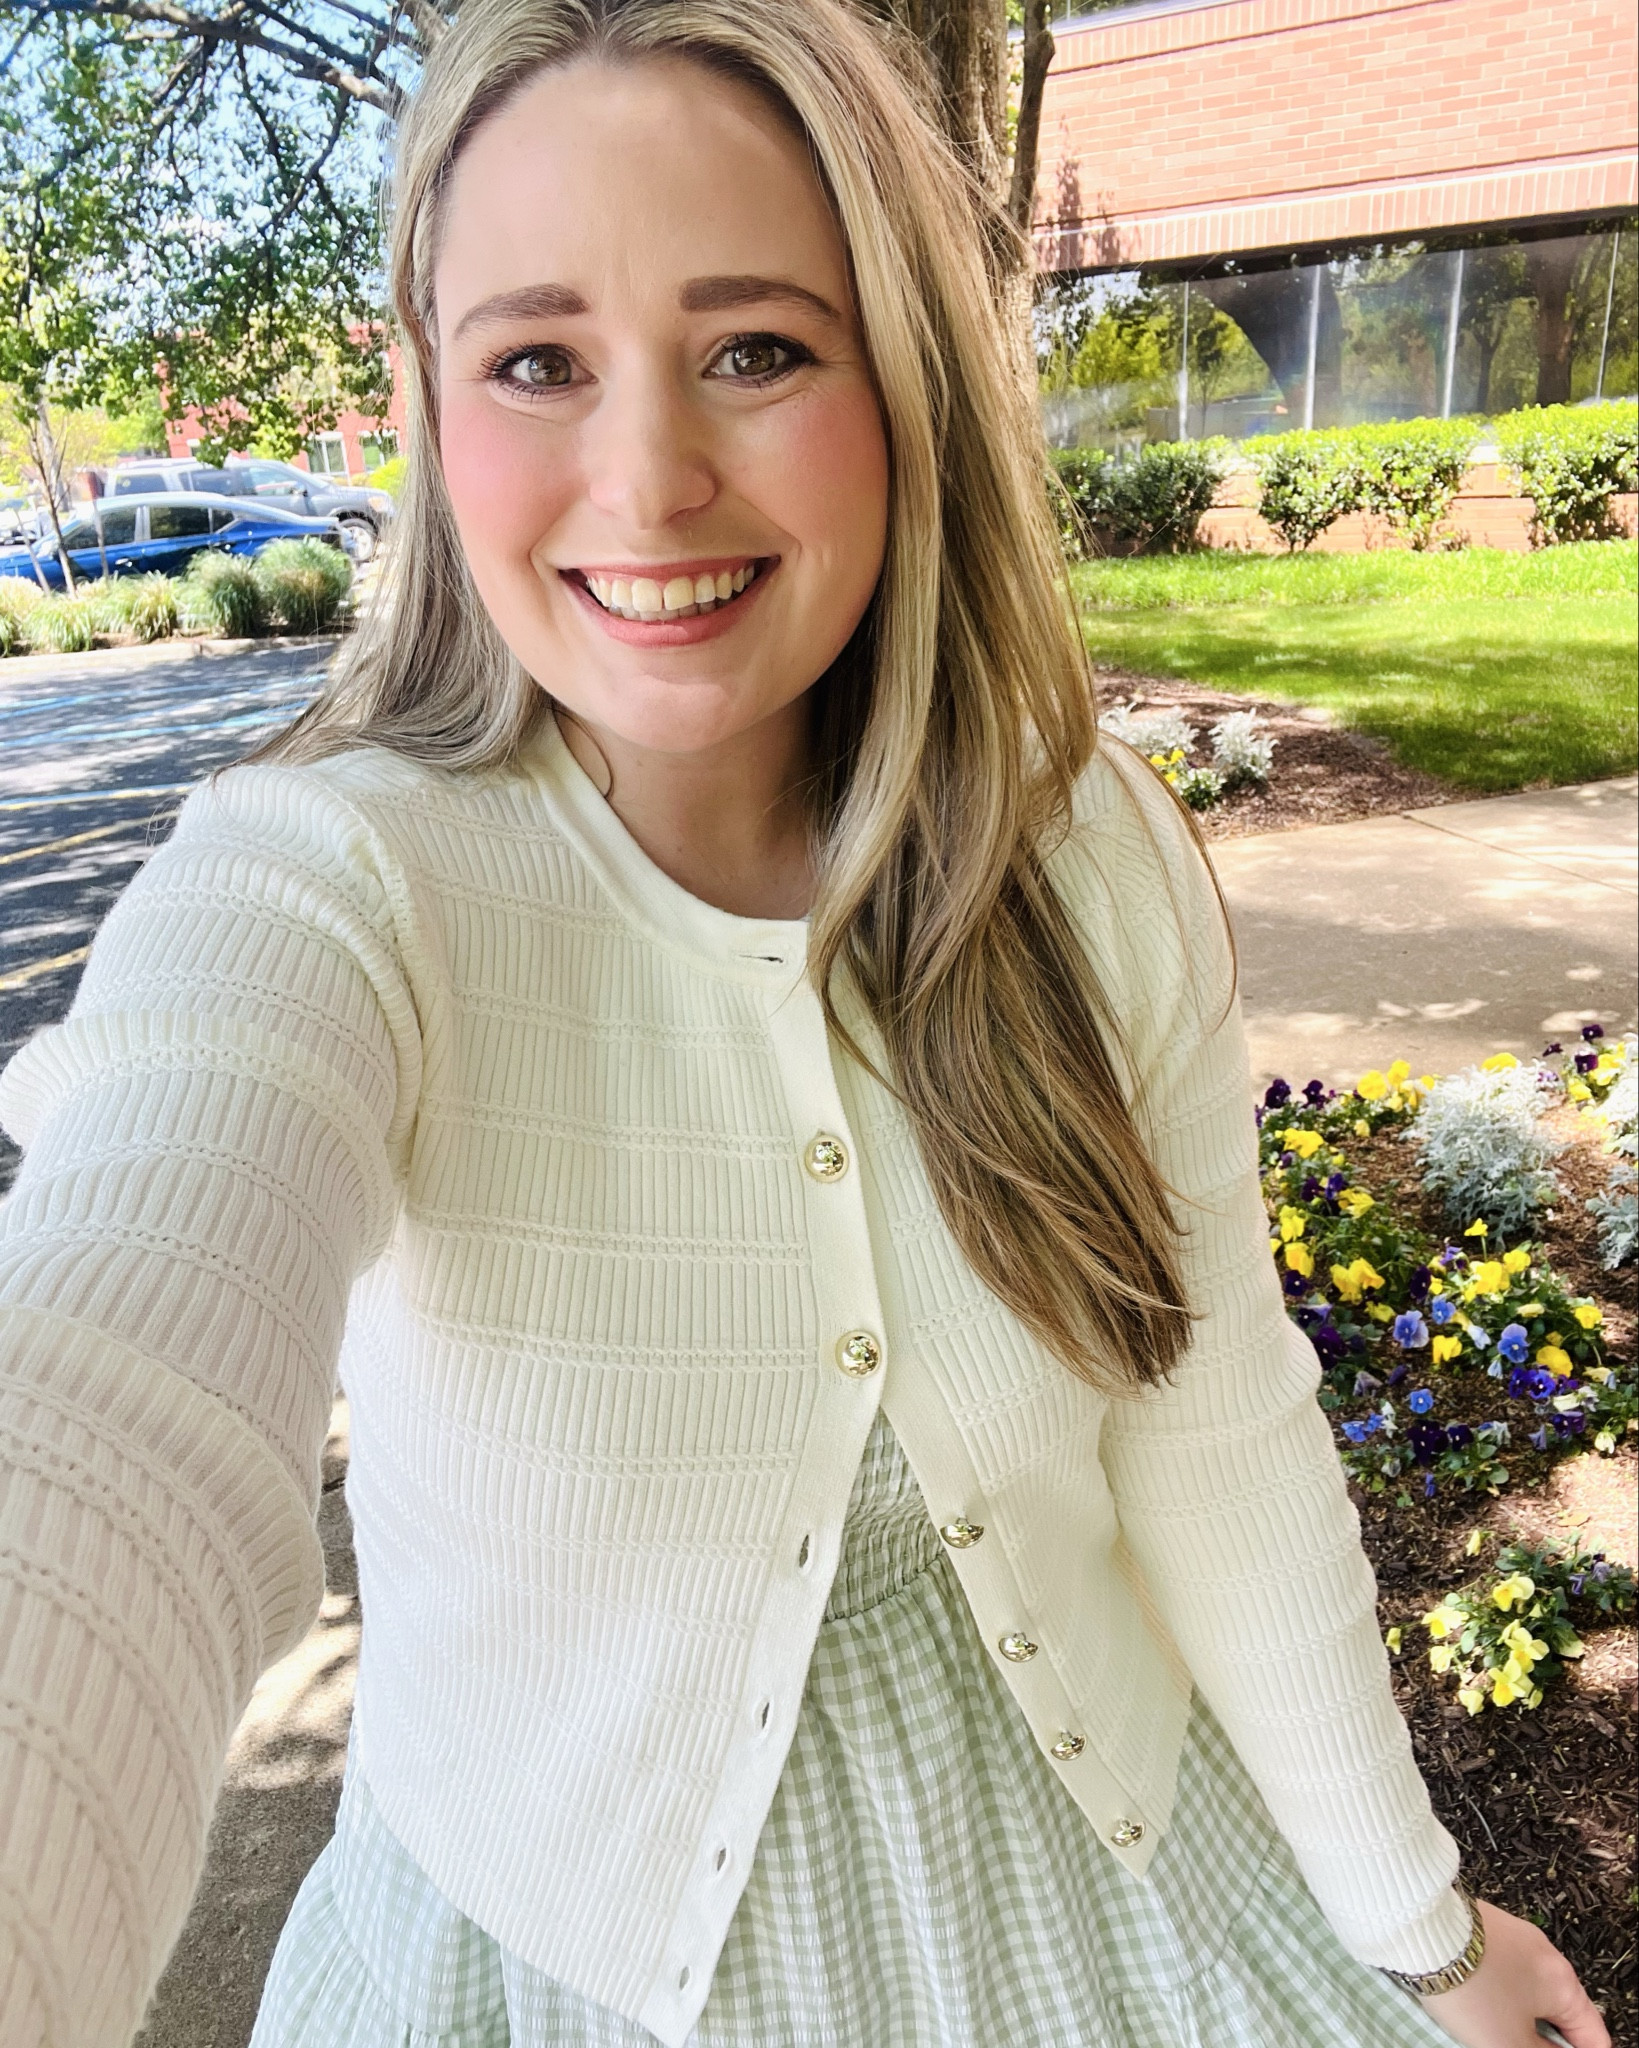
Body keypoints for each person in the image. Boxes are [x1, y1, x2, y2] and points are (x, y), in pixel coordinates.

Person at [0, 4, 1613, 2045]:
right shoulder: (325, 885)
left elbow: (1214, 1432)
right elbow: (109, 1405)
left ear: (904, 377)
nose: (649, 475)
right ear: (427, 400)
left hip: (1113, 1891)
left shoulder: (1080, 850)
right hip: (563, 1964)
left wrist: (1416, 1923)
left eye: (756, 347)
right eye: (535, 359)